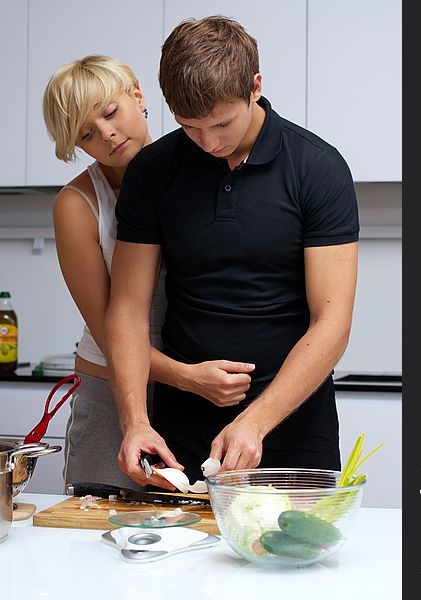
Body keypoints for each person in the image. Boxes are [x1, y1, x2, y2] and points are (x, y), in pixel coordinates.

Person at [105, 15, 359, 487]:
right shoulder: (152, 172)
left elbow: (333, 322)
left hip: (294, 426)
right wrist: (135, 419)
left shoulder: (318, 168)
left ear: (255, 87)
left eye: (222, 123)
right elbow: (126, 307)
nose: (209, 142)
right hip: (179, 430)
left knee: (295, 553)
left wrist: (254, 422)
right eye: (189, 127)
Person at [43, 54, 256, 490]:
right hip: (114, 389)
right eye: (87, 132)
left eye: (110, 112)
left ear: (137, 97)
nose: (108, 134)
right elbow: (109, 329)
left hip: (200, 388)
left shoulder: (208, 164)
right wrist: (188, 377)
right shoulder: (77, 206)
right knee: (100, 524)